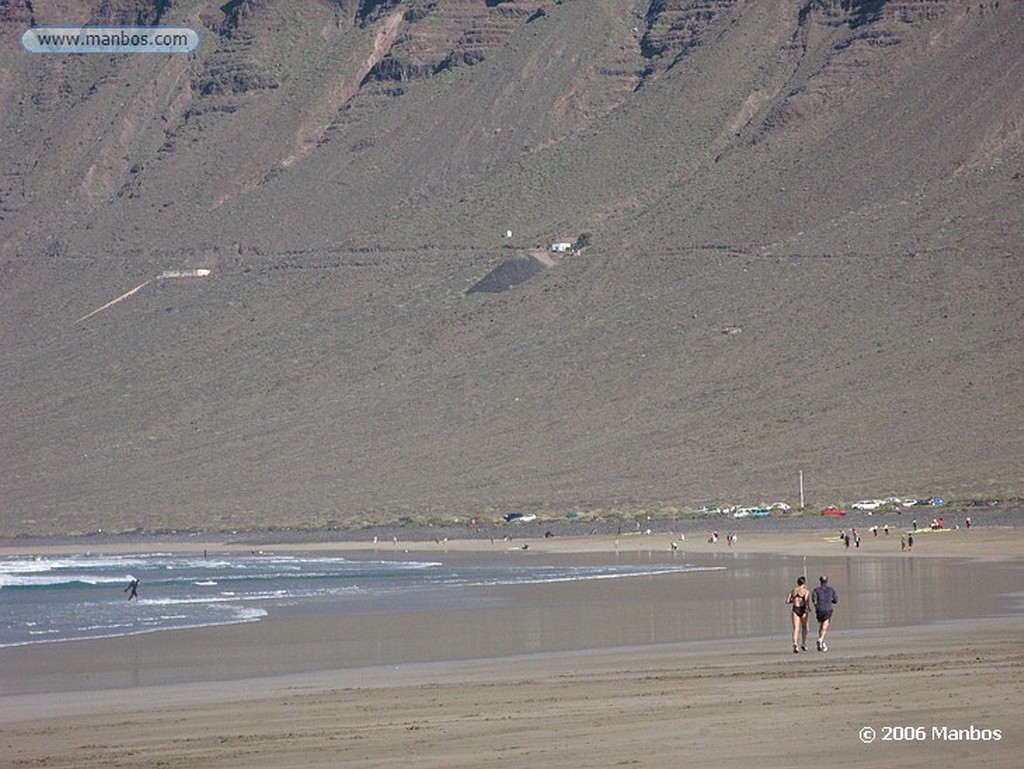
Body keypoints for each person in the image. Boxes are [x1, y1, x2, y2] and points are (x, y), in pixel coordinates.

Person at [811, 575, 838, 651]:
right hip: (828, 609)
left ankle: (821, 644)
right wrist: (830, 601)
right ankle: (821, 639)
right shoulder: (831, 589)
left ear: (820, 581)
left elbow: (813, 598)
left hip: (819, 609)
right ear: (827, 581)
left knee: (821, 626)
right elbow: (836, 600)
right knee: (825, 626)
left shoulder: (816, 590)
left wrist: (816, 605)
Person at [786, 576, 811, 653]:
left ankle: (795, 643)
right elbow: (806, 602)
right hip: (802, 609)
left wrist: (793, 601)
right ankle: (803, 643)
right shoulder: (806, 591)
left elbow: (787, 601)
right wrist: (808, 608)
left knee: (796, 628)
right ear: (804, 583)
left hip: (795, 609)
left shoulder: (793, 590)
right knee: (804, 627)